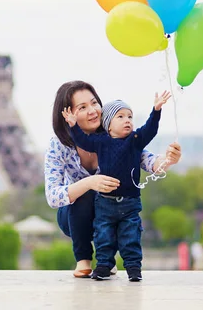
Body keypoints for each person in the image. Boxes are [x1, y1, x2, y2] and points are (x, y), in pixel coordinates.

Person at [44, 80, 182, 278]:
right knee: (85, 194)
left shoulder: (115, 134)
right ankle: (83, 260)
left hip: (113, 210)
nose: (92, 111)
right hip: (74, 216)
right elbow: (52, 197)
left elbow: (147, 159)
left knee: (122, 208)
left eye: (94, 103)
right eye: (82, 107)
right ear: (67, 114)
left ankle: (106, 259)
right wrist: (90, 182)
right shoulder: (58, 145)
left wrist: (169, 160)